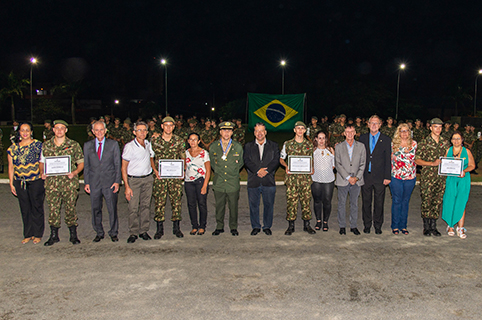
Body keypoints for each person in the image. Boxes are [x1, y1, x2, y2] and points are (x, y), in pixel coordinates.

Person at [41, 120, 84, 246]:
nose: (59, 130)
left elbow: (81, 162)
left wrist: (75, 172)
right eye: (57, 128)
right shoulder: (46, 145)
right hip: (52, 184)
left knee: (70, 208)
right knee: (53, 209)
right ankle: (54, 235)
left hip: (68, 183)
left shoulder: (73, 145)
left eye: (62, 128)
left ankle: (73, 234)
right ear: (53, 130)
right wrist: (42, 172)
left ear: (66, 130)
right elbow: (42, 162)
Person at [83, 121, 121, 242]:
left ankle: (113, 232)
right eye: (96, 130)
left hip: (109, 182)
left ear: (105, 131)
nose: (99, 132)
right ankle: (99, 232)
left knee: (112, 209)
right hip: (94, 182)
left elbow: (117, 164)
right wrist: (87, 182)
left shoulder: (113, 144)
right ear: (93, 132)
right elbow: (87, 165)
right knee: (95, 208)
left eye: (101, 130)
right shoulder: (87, 145)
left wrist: (117, 181)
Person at [7, 122, 45, 244]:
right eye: (22, 130)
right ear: (19, 132)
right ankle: (28, 233)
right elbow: (11, 167)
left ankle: (38, 233)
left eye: (27, 130)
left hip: (35, 181)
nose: (25, 132)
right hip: (20, 181)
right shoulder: (12, 148)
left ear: (31, 132)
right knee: (25, 208)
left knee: (36, 207)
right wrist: (11, 182)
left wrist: (42, 173)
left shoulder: (38, 145)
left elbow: (42, 161)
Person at [151, 116, 186, 239]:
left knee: (176, 202)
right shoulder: (155, 141)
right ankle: (159, 229)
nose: (168, 127)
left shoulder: (179, 140)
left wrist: (183, 171)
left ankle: (176, 228)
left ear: (174, 127)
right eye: (166, 125)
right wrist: (154, 170)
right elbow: (151, 157)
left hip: (175, 177)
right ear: (162, 126)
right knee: (159, 203)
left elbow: (183, 157)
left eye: (171, 125)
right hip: (160, 177)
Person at [414, 118, 450, 236]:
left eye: (440, 127)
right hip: (428, 177)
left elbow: (449, 158)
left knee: (437, 201)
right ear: (430, 128)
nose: (438, 129)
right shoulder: (424, 142)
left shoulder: (445, 142)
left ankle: (433, 226)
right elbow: (417, 160)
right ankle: (426, 226)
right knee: (426, 201)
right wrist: (431, 163)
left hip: (441, 177)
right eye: (435, 127)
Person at [280, 121, 316, 235]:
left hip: (305, 179)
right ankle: (291, 226)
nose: (300, 130)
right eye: (298, 128)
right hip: (292, 179)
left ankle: (307, 225)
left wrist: (312, 168)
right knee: (291, 202)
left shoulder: (309, 145)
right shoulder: (288, 144)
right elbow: (281, 159)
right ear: (294, 130)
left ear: (305, 131)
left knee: (306, 201)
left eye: (302, 128)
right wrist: (286, 166)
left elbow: (311, 160)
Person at [244, 123, 280, 236]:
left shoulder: (273, 145)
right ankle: (255, 226)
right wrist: (257, 170)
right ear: (254, 133)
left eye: (262, 131)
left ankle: (267, 226)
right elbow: (246, 160)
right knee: (253, 205)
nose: (260, 133)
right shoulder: (248, 146)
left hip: (268, 180)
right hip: (253, 180)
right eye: (257, 131)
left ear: (265, 132)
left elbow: (276, 160)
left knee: (268, 205)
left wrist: (267, 170)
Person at [122, 121, 155, 243]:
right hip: (134, 181)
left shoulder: (147, 143)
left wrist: (154, 170)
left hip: (147, 179)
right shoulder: (129, 147)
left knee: (146, 206)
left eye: (144, 130)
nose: (142, 132)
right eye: (139, 130)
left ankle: (144, 230)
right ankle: (133, 232)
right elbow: (123, 167)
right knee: (133, 207)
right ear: (134, 132)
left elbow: (151, 157)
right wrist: (126, 186)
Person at [209, 121, 244, 236]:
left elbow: (240, 163)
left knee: (233, 206)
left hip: (232, 182)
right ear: (220, 132)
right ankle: (219, 226)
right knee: (219, 206)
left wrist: (231, 172)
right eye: (224, 130)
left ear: (232, 132)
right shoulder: (214, 146)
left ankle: (233, 227)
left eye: (229, 130)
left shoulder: (237, 147)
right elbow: (213, 164)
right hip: (219, 181)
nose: (226, 132)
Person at [359, 115, 392, 234]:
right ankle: (367, 224)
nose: (374, 125)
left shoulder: (386, 139)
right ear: (367, 124)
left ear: (380, 125)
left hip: (380, 176)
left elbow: (388, 159)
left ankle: (378, 225)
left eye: (376, 123)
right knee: (366, 202)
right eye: (371, 123)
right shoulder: (362, 138)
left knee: (379, 202)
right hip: (366, 176)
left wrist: (387, 176)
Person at [442, 131, 475, 239]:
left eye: (458, 138)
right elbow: (445, 164)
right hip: (451, 179)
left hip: (463, 179)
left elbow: (472, 165)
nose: (456, 141)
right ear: (451, 141)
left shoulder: (467, 151)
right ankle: (450, 225)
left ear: (462, 140)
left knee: (461, 201)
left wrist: (464, 171)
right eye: (454, 139)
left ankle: (460, 227)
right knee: (450, 200)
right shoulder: (449, 150)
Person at [335, 125, 366, 235]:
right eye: (347, 132)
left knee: (354, 204)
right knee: (341, 204)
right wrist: (348, 177)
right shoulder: (338, 147)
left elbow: (363, 163)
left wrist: (356, 177)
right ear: (344, 133)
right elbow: (337, 164)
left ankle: (353, 226)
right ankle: (342, 226)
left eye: (351, 131)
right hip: (343, 180)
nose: (349, 134)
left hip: (357, 180)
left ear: (355, 133)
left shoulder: (361, 146)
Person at [390, 124, 417, 235]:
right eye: (402, 131)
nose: (404, 133)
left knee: (405, 202)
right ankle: (395, 226)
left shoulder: (414, 144)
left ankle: (403, 226)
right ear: (398, 132)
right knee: (397, 201)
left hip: (410, 177)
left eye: (406, 131)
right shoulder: (393, 144)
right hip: (396, 176)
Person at [185, 132, 211, 235]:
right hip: (188, 182)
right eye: (190, 139)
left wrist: (205, 185)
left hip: (200, 181)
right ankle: (194, 226)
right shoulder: (185, 153)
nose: (192, 141)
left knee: (202, 204)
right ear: (188, 141)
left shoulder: (204, 153)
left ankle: (202, 226)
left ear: (199, 141)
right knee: (191, 205)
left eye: (195, 139)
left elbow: (208, 170)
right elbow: (183, 167)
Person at [311, 130, 335, 231]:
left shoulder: (330, 150)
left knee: (327, 201)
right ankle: (318, 220)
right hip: (316, 179)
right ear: (316, 139)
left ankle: (325, 221)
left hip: (328, 179)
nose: (321, 140)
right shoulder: (312, 150)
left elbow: (333, 165)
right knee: (317, 201)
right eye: (319, 138)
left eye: (323, 138)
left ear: (326, 139)